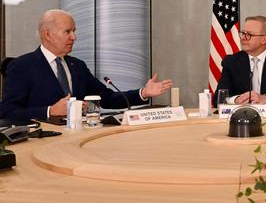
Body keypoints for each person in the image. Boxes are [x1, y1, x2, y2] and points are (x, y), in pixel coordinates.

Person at [0, 9, 173, 123]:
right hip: (43, 143)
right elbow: (8, 111)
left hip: (79, 139)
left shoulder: (77, 66)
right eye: (67, 32)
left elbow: (106, 98)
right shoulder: (21, 66)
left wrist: (143, 93)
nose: (74, 37)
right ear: (47, 34)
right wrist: (49, 110)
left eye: (74, 31)